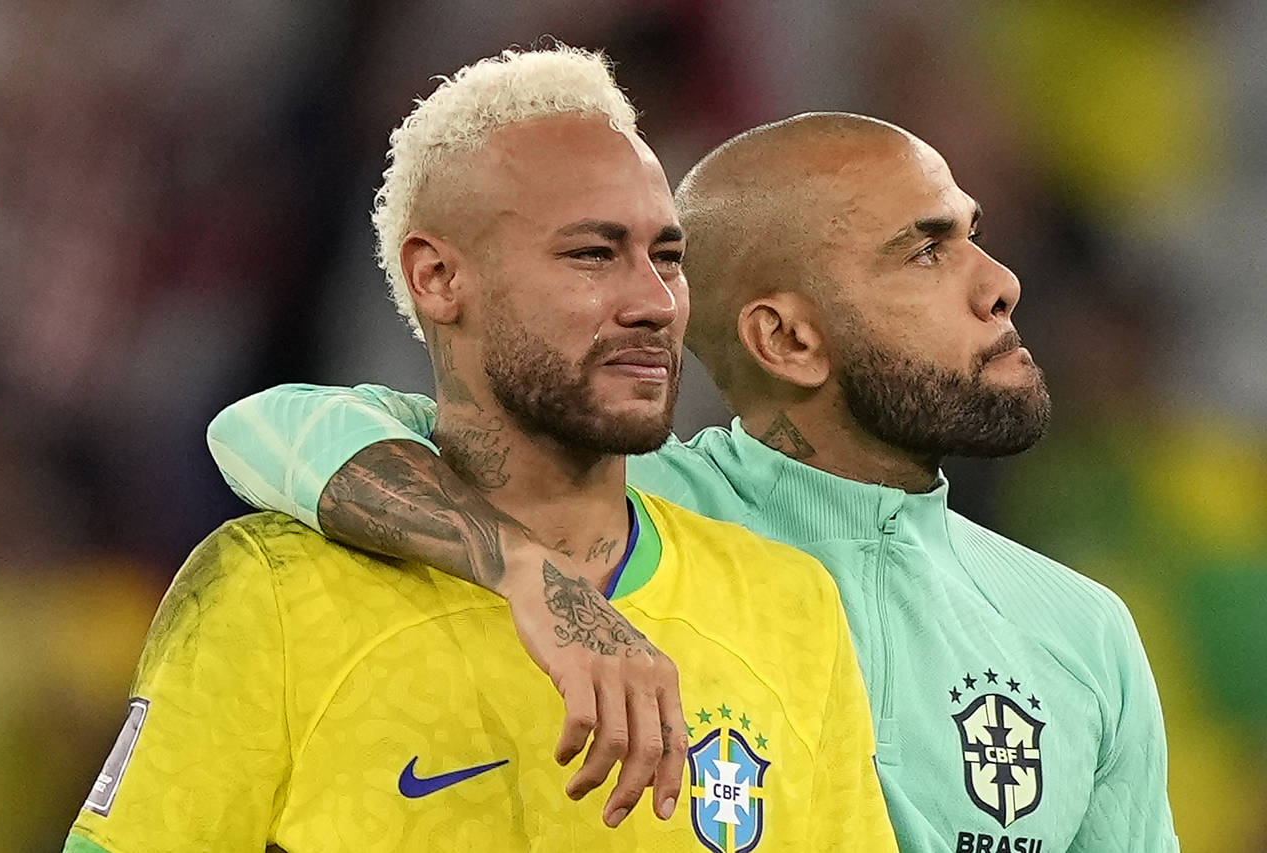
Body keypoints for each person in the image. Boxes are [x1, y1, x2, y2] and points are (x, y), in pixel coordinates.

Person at [207, 111, 1180, 852]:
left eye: (972, 234)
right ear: (786, 339)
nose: (998, 280)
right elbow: (268, 426)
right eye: (927, 249)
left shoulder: (1078, 633)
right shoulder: (631, 523)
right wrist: (534, 575)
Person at [65, 47, 896, 853]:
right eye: (592, 253)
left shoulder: (791, 606)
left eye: (668, 257)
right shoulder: (273, 595)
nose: (653, 300)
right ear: (436, 278)